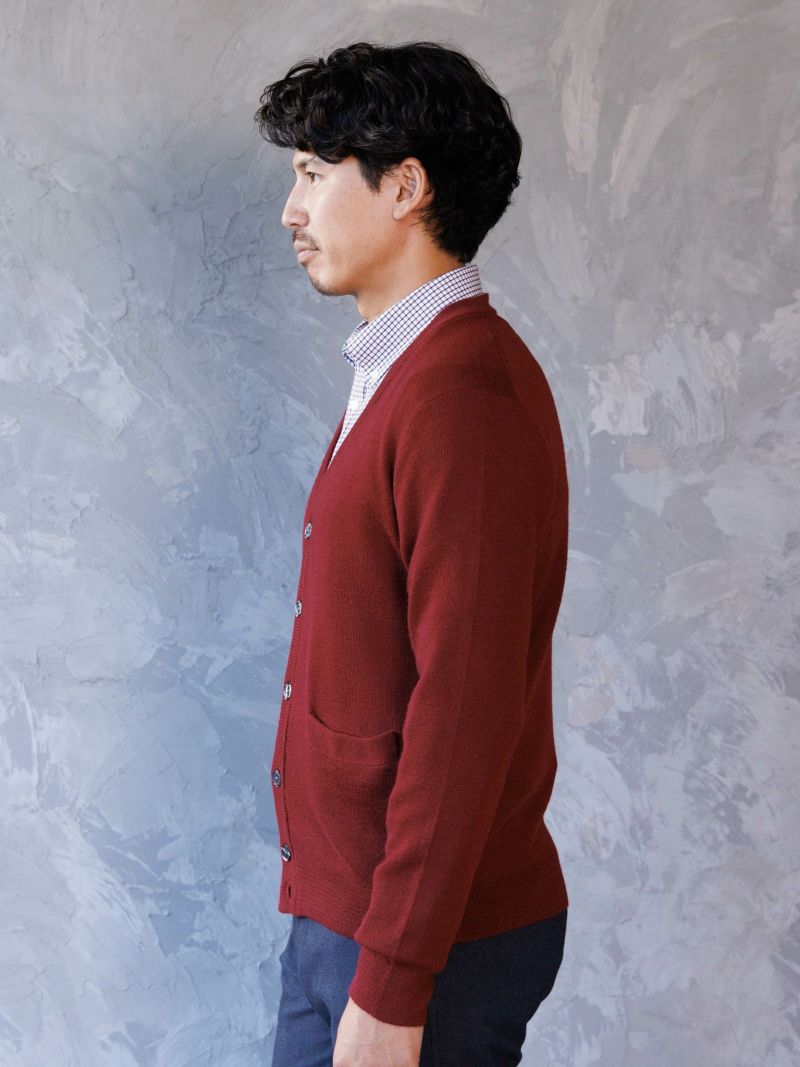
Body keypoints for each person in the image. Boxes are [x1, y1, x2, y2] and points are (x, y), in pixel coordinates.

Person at [253, 40, 570, 1067]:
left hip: (423, 945)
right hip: (360, 916)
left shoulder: (460, 398)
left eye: (314, 174)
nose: (291, 210)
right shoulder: (405, 369)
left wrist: (393, 980)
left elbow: (464, 708)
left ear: (404, 187)